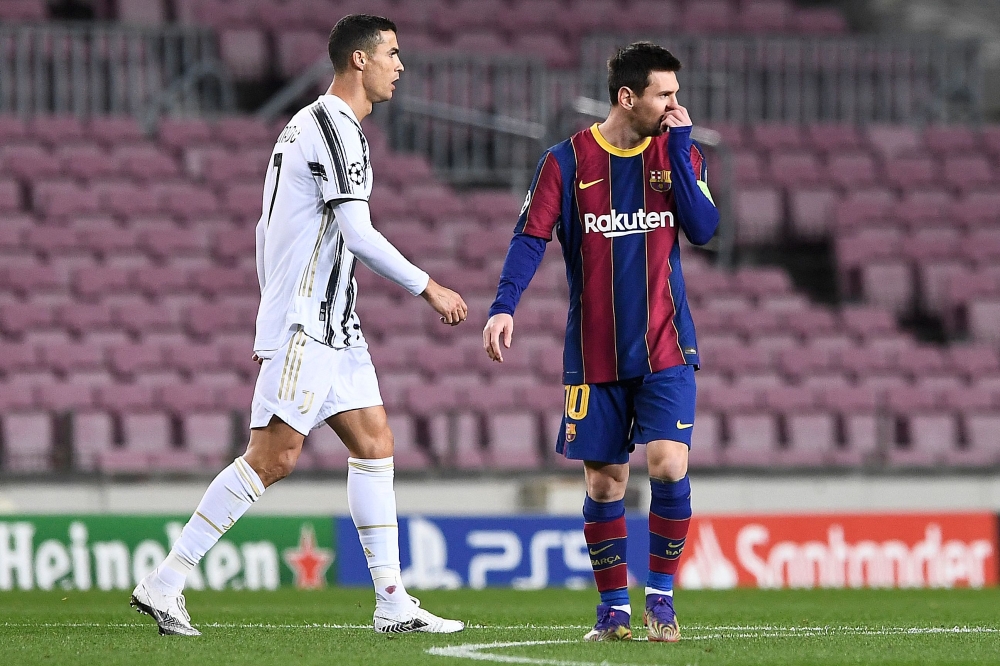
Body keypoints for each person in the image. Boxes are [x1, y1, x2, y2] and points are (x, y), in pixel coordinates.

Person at [131, 14, 467, 637]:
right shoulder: (333, 128)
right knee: (273, 457)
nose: (400, 66)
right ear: (359, 60)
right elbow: (357, 233)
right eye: (392, 54)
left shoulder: (309, 127)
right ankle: (166, 580)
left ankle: (392, 601)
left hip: (335, 324)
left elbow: (268, 231)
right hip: (308, 323)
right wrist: (429, 286)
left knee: (375, 444)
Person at [483, 42, 718, 643]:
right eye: (665, 95)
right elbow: (530, 237)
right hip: (595, 354)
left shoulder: (680, 151)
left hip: (667, 345)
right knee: (605, 483)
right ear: (628, 97)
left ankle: (660, 601)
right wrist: (504, 305)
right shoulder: (565, 161)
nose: (677, 105)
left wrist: (678, 149)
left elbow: (704, 228)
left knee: (668, 463)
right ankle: (614, 611)